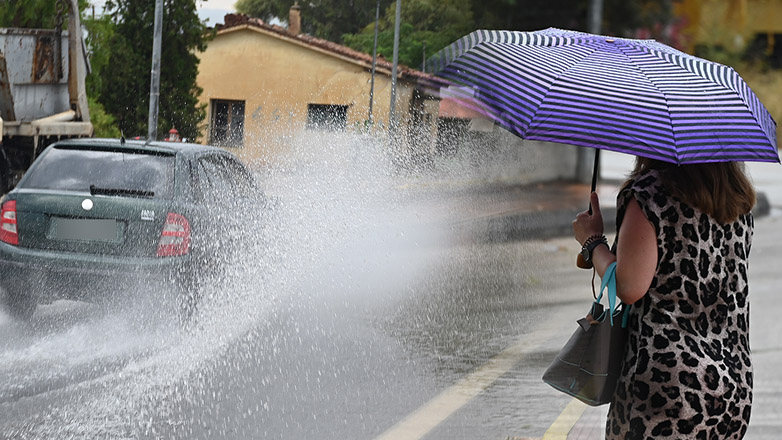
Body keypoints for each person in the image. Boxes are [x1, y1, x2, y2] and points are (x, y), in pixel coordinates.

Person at [572, 157, 755, 439]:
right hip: (732, 388)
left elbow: (630, 285)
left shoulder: (649, 194)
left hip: (666, 386)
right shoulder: (736, 198)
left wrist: (591, 241)